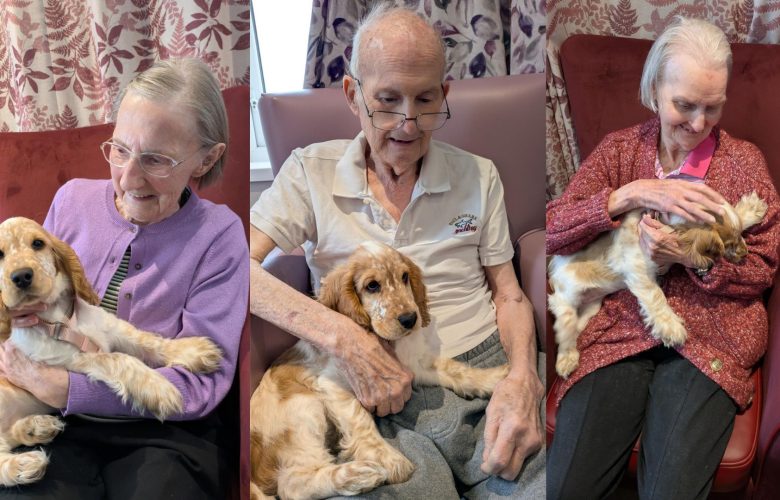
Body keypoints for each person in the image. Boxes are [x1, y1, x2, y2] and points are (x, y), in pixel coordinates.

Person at [249, 4, 544, 499]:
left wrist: (522, 380)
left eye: (425, 100)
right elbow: (232, 268)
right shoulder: (309, 171)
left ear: (445, 94)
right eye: (387, 100)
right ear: (352, 94)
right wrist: (345, 339)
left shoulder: (478, 174)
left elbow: (510, 294)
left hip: (479, 368)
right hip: (373, 392)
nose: (408, 123)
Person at [546, 17, 780, 499]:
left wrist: (693, 259)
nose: (697, 124)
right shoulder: (619, 152)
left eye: (711, 108)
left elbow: (762, 270)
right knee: (569, 485)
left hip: (710, 336)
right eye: (684, 105)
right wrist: (625, 195)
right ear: (654, 91)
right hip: (618, 327)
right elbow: (554, 229)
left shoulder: (744, 164)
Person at [0, 58, 248, 499]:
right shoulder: (71, 199)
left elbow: (202, 383)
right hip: (55, 423)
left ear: (207, 158)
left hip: (164, 431)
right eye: (119, 149)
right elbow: (26, 304)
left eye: (156, 159)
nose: (128, 178)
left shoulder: (220, 234)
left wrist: (68, 389)